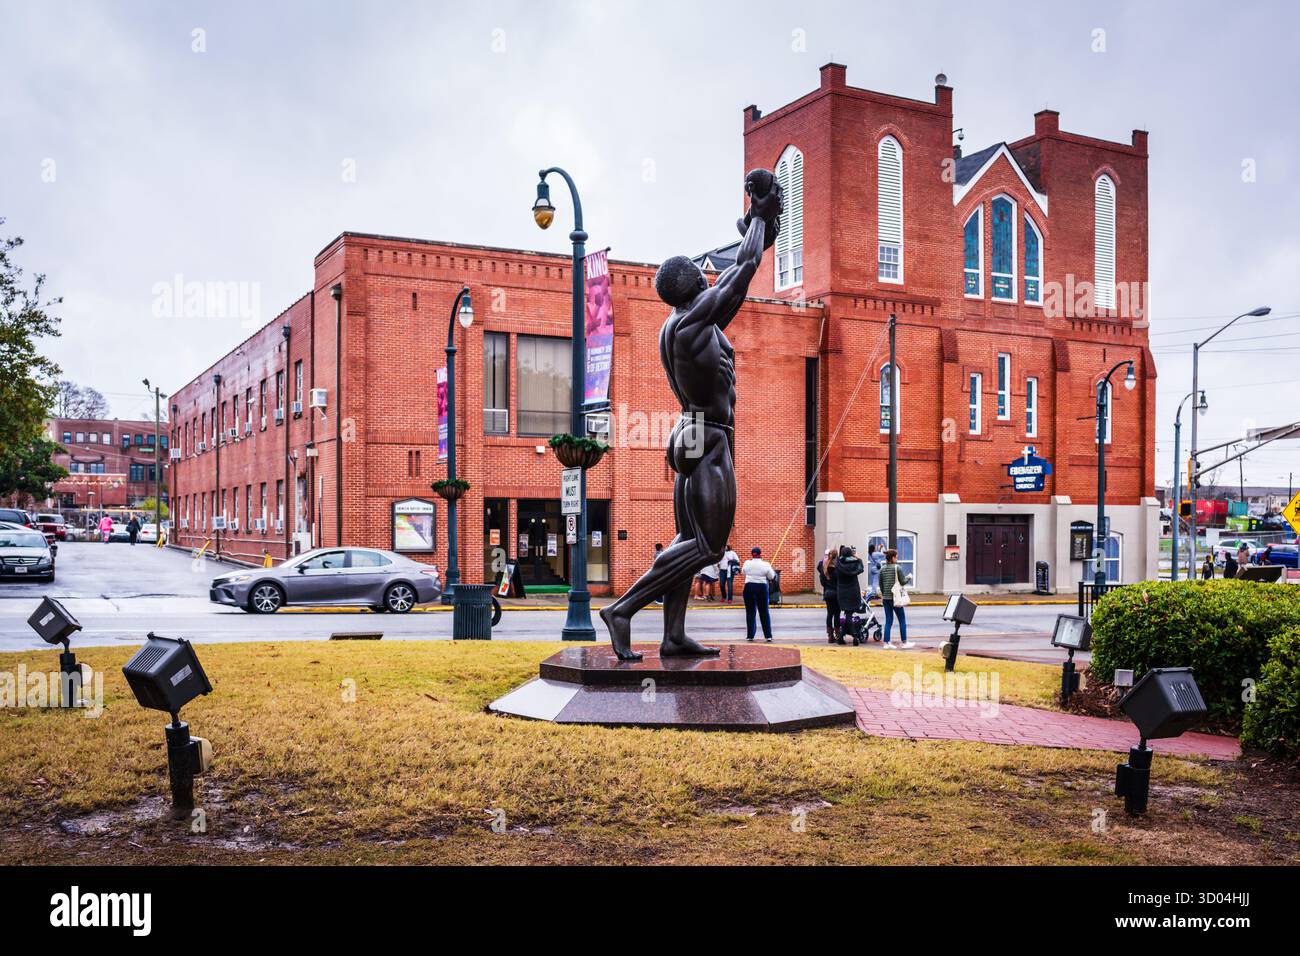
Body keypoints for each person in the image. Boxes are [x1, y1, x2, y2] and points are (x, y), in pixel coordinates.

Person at [878, 548, 912, 648]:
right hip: (896, 598)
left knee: (888, 620)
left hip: (886, 599)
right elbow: (902, 582)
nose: (897, 559)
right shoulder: (898, 568)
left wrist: (885, 594)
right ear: (892, 558)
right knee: (902, 620)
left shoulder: (882, 569)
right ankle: (904, 642)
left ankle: (886, 643)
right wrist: (909, 577)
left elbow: (881, 585)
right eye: (896, 557)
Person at [741, 546, 776, 642]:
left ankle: (750, 635)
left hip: (749, 587)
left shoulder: (747, 563)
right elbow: (771, 576)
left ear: (752, 554)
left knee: (750, 612)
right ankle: (768, 635)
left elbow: (743, 572)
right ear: (761, 554)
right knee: (764, 612)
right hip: (761, 587)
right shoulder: (766, 564)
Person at [833, 545, 865, 645]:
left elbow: (836, 560)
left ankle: (841, 636)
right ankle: (855, 635)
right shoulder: (855, 564)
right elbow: (861, 568)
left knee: (848, 614)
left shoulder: (838, 564)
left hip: (842, 591)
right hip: (853, 591)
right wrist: (858, 558)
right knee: (849, 614)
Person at [817, 548, 840, 644]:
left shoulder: (825, 567)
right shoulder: (838, 568)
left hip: (828, 593)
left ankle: (830, 636)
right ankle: (838, 635)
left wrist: (827, 587)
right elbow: (840, 581)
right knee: (837, 614)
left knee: (829, 614)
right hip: (837, 593)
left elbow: (822, 582)